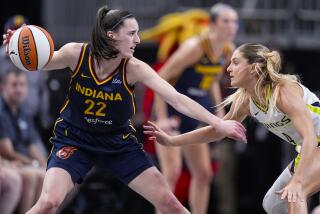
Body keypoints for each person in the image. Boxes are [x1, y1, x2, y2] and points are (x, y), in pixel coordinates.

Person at [3, 5, 246, 214]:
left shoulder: (134, 68)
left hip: (117, 144)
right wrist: (18, 46)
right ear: (111, 36)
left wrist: (219, 122)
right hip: (75, 141)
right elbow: (37, 61)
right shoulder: (76, 53)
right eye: (132, 34)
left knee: (171, 204)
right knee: (48, 203)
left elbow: (177, 98)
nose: (138, 40)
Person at [145, 43, 320, 214]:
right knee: (273, 204)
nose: (228, 69)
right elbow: (216, 131)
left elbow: (310, 138)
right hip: (310, 148)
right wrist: (173, 141)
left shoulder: (283, 91)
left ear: (253, 68)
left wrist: (297, 181)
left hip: (313, 144)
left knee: (295, 194)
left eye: (235, 62)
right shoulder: (245, 101)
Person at [153, 3, 238, 214]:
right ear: (213, 24)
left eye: (235, 21)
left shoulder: (227, 49)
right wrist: (162, 117)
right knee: (171, 173)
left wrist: (219, 113)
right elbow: (160, 79)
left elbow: (212, 81)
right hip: (172, 111)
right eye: (226, 21)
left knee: (204, 174)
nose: (231, 26)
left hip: (194, 113)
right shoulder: (195, 47)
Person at [0, 68, 46, 213]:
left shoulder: (23, 110)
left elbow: (31, 144)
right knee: (33, 175)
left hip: (21, 160)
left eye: (22, 85)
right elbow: (7, 151)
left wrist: (46, 163)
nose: (19, 89)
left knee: (48, 174)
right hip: (11, 160)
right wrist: (33, 163)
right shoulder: (1, 111)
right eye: (14, 85)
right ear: (3, 87)